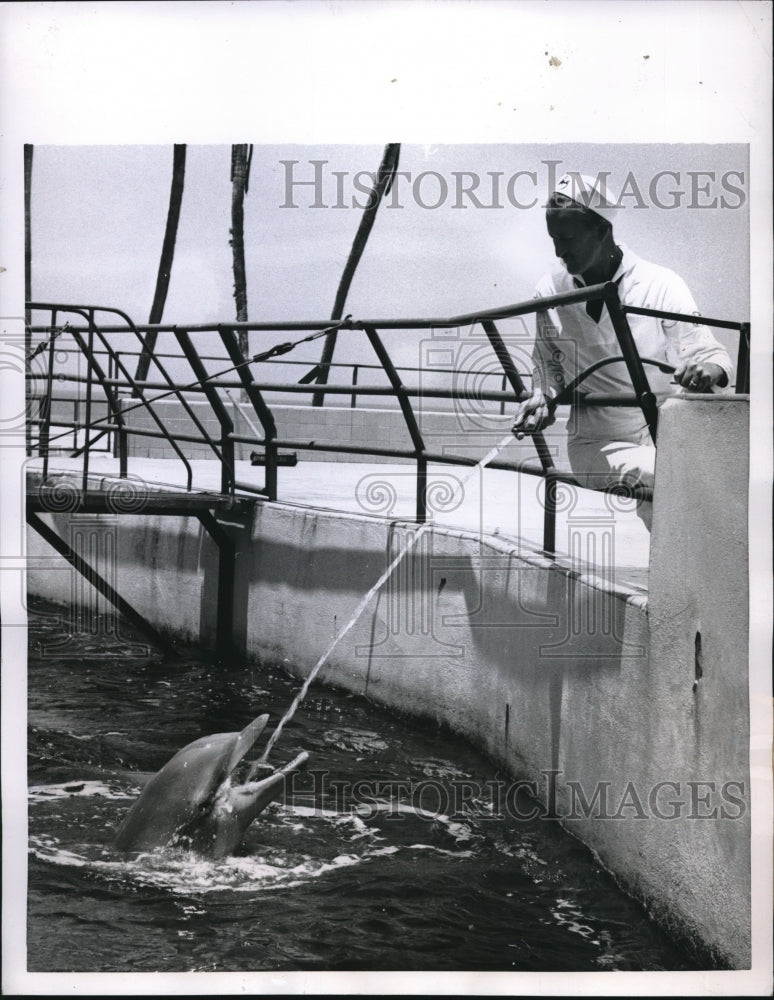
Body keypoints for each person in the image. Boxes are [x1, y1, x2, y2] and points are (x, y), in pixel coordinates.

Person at [511, 172, 734, 530]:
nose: (558, 251)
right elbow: (548, 370)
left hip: (662, 433)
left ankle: (674, 580)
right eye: (553, 239)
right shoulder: (550, 290)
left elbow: (707, 350)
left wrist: (708, 367)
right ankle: (674, 581)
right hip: (595, 443)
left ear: (602, 231)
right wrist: (541, 398)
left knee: (701, 484)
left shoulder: (660, 284)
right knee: (672, 477)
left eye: (567, 238)